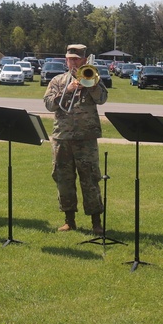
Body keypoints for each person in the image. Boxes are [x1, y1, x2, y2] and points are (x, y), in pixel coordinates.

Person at [42, 44, 108, 234]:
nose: (73, 62)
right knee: (63, 179)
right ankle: (69, 220)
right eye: (70, 59)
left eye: (77, 59)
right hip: (62, 137)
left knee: (90, 179)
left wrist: (92, 84)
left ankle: (96, 222)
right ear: (66, 60)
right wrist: (68, 90)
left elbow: (102, 98)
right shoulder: (58, 80)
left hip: (86, 138)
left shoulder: (92, 77)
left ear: (84, 61)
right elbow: (48, 104)